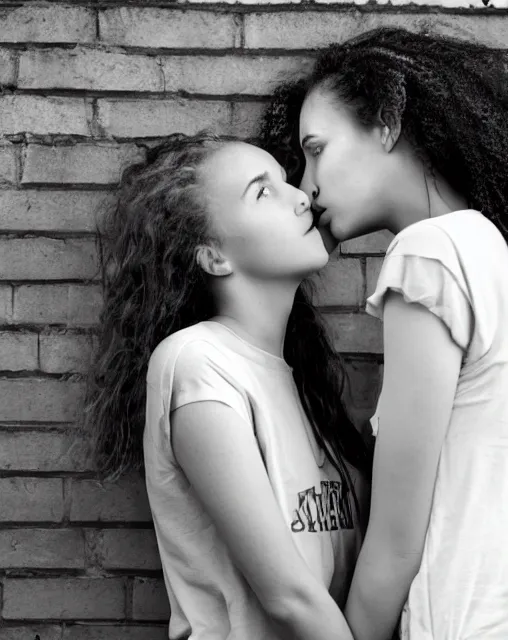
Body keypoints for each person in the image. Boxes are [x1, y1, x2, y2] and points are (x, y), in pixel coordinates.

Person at [260, 26, 508, 640]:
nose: (307, 184)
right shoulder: (487, 247)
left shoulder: (430, 253)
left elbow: (396, 543)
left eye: (316, 148)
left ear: (387, 122)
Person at [83, 131, 371, 640]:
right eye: (263, 191)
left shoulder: (303, 383)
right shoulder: (198, 365)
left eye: (284, 182)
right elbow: (289, 598)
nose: (302, 196)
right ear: (214, 257)